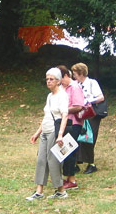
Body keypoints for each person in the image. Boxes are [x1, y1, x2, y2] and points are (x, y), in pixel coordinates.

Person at [26, 68, 69, 200]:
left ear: (58, 81)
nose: (48, 82)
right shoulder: (49, 96)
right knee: (41, 160)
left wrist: (60, 134)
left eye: (51, 79)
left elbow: (65, 115)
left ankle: (61, 190)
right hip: (45, 130)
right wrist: (37, 133)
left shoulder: (62, 95)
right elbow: (46, 116)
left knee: (53, 160)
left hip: (54, 132)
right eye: (47, 79)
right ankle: (39, 191)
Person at [71, 63, 104, 174]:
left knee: (89, 137)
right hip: (80, 113)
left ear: (81, 73)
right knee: (78, 135)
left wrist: (89, 101)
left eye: (75, 74)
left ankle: (91, 163)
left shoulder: (92, 83)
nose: (74, 76)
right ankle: (76, 162)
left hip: (91, 113)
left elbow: (101, 97)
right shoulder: (75, 84)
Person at [57, 65, 84, 190]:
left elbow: (78, 106)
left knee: (69, 149)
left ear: (66, 76)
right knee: (63, 150)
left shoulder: (74, 87)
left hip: (73, 123)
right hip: (63, 122)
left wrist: (63, 110)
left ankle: (72, 179)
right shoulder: (61, 88)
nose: (59, 82)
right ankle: (67, 177)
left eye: (60, 79)